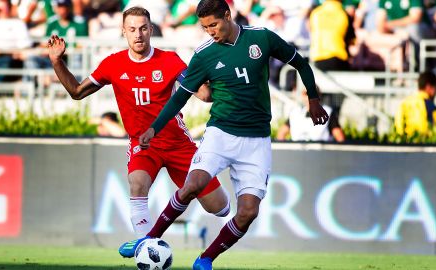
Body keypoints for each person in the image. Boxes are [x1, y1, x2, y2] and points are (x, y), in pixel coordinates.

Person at [118, 1, 330, 269]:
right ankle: (147, 240)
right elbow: (180, 97)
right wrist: (154, 128)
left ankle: (205, 259)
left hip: (257, 141)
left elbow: (300, 62)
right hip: (221, 133)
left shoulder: (261, 38)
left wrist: (313, 99)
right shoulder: (204, 54)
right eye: (205, 27)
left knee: (248, 213)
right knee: (192, 184)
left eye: (214, 25)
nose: (210, 32)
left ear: (227, 16)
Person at [47, 6, 230, 238]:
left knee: (220, 207)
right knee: (137, 184)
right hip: (143, 144)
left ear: (151, 30)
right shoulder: (113, 64)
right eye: (132, 29)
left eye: (143, 28)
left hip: (177, 144)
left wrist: (212, 75)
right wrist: (57, 62)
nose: (138, 34)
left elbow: (205, 96)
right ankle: (146, 245)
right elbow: (76, 92)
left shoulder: (169, 60)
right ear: (123, 31)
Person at [276, 87, 345, 142]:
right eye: (306, 94)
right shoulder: (295, 113)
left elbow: (339, 137)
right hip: (297, 155)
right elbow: (281, 133)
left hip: (320, 155)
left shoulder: (328, 112)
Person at [394, 70, 436, 137]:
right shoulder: (431, 107)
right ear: (429, 87)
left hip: (405, 144)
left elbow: (398, 126)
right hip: (425, 144)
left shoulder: (404, 103)